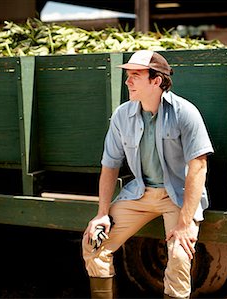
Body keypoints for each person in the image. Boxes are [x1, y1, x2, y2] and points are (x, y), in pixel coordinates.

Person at [82, 50, 214, 299]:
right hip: (139, 195)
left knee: (178, 255)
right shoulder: (122, 115)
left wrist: (185, 224)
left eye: (135, 75)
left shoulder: (184, 112)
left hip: (177, 197)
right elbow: (110, 165)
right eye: (128, 75)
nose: (127, 81)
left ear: (157, 80)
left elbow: (199, 167)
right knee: (93, 244)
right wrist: (101, 214)